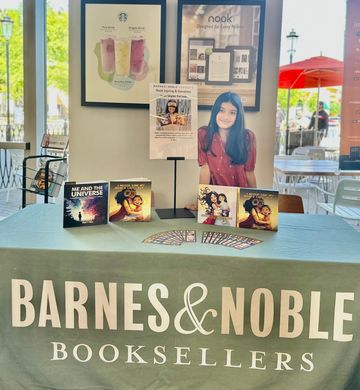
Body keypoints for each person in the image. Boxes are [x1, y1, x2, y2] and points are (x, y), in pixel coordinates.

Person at [198, 91, 257, 187]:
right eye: (221, 110)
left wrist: (256, 198)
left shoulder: (248, 137)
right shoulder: (203, 134)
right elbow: (205, 169)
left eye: (232, 112)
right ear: (215, 111)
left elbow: (249, 173)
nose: (225, 117)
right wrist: (202, 199)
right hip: (215, 196)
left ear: (238, 116)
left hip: (240, 194)